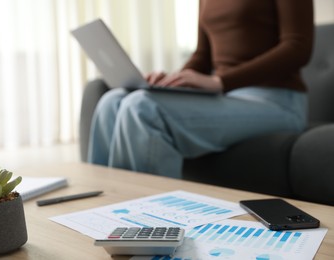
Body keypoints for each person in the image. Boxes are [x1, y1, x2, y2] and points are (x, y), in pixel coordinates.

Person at [87, 0, 314, 179]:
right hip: (227, 97)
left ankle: (152, 222)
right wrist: (171, 81)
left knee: (142, 107)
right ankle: (108, 209)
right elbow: (202, 56)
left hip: (277, 102)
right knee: (113, 100)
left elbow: (297, 47)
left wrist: (220, 81)